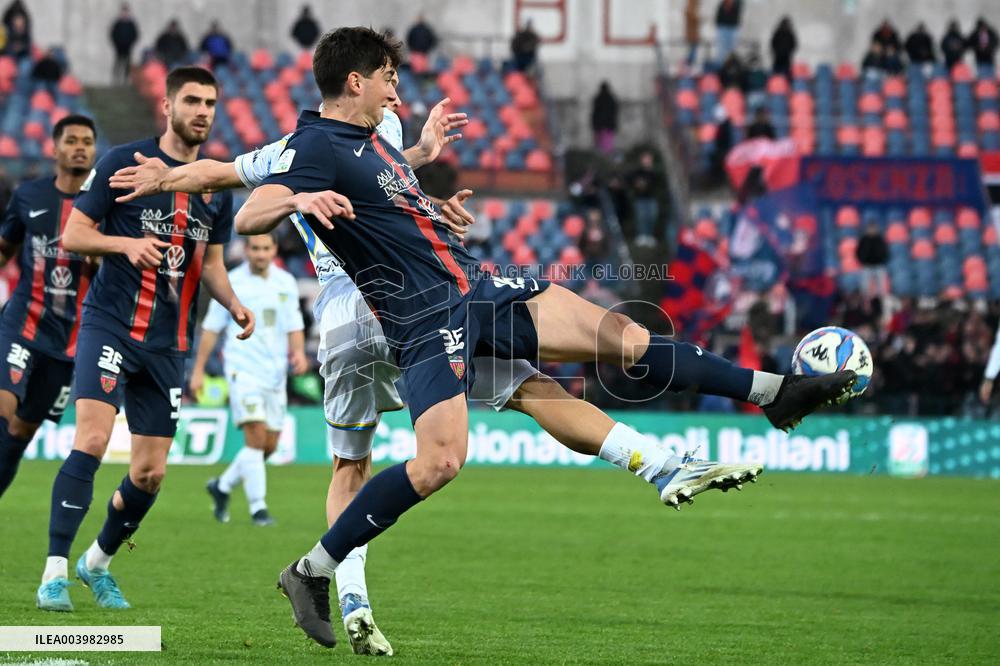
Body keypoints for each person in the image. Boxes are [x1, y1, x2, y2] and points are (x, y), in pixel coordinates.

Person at [236, 27, 857, 648]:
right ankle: (310, 571)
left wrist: (434, 201)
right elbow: (248, 214)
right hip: (421, 317)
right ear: (356, 81)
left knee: (622, 335)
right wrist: (301, 196)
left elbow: (392, 211)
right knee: (441, 462)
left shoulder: (379, 144)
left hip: (472, 284)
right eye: (389, 77)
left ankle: (775, 391)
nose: (397, 90)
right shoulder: (315, 144)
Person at [35, 67, 254, 613]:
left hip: (167, 345)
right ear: (167, 106)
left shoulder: (213, 183)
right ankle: (54, 572)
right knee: (90, 439)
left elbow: (211, 264)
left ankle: (97, 565)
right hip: (110, 325)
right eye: (192, 101)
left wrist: (233, 304)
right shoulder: (121, 163)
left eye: (210, 102)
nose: (203, 111)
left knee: (150, 474)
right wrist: (123, 246)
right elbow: (75, 234)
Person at [0, 115, 97, 499]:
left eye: (87, 141)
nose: (79, 147)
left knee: (21, 434)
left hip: (68, 342)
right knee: (2, 412)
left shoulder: (104, 204)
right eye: (71, 140)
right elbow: (6, 248)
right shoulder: (29, 196)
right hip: (23, 323)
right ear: (54, 148)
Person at [194, 232, 306, 526]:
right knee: (255, 437)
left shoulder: (286, 282)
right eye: (255, 248)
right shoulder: (231, 282)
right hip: (242, 369)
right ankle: (259, 509)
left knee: (267, 445)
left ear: (274, 250)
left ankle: (222, 486)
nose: (260, 254)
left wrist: (298, 353)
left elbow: (294, 323)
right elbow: (211, 328)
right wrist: (198, 370)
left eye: (265, 248)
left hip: (275, 373)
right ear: (246, 250)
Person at [627, 151, 659, 246]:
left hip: (651, 198)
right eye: (645, 159)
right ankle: (642, 236)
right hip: (640, 198)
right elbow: (632, 181)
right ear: (642, 160)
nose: (647, 161)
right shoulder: (638, 172)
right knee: (641, 217)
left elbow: (654, 184)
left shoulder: (653, 172)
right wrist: (638, 184)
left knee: (651, 217)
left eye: (649, 159)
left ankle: (649, 236)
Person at [855, 222, 888, 299]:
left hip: (878, 266)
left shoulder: (880, 239)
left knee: (881, 288)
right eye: (870, 228)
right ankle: (866, 303)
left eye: (873, 228)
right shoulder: (864, 239)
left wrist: (882, 260)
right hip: (867, 266)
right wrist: (862, 260)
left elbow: (885, 251)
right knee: (864, 287)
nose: (872, 230)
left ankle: (880, 302)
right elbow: (858, 251)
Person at [109, 4, 139, 84]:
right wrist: (116, 44)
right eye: (123, 12)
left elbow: (135, 35)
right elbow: (113, 34)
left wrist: (130, 43)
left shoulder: (131, 24)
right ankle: (116, 79)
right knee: (118, 63)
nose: (124, 13)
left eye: (126, 12)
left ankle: (126, 80)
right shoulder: (117, 23)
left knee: (127, 64)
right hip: (119, 48)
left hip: (128, 48)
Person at [590, 81, 618, 154]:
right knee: (607, 146)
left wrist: (595, 125)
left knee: (600, 146)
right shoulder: (611, 99)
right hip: (608, 126)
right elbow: (614, 113)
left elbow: (595, 113)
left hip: (600, 126)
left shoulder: (598, 99)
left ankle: (603, 160)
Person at [684, 0, 700, 66]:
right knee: (692, 52)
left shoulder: (691, 8)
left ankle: (689, 64)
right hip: (692, 35)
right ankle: (688, 65)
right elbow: (693, 19)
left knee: (692, 51)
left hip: (693, 35)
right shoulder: (691, 8)